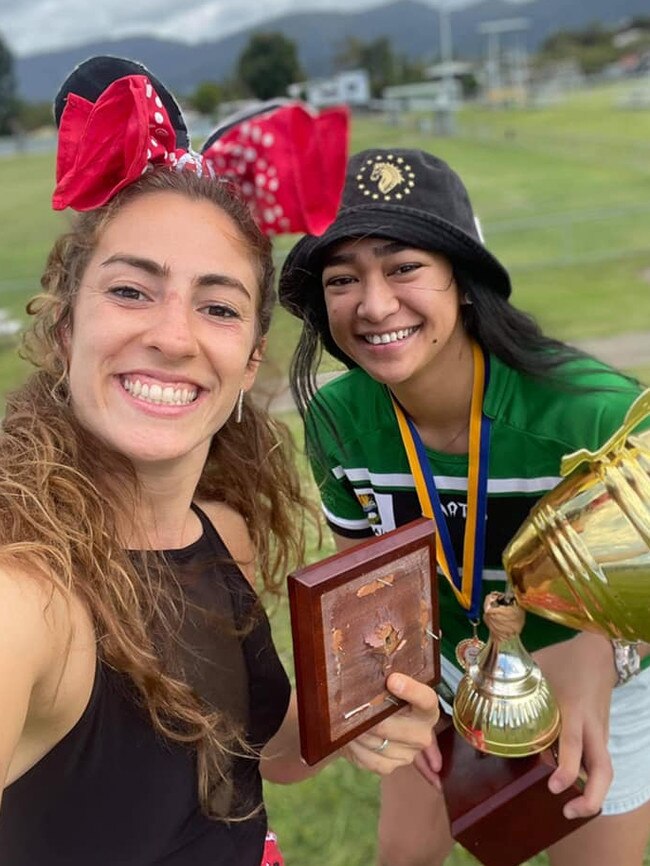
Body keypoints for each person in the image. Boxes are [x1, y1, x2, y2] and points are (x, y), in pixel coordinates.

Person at [0, 69, 441, 865]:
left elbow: (258, 758)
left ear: (246, 365)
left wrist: (362, 710)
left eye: (217, 305)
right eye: (132, 290)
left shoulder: (221, 532)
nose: (174, 336)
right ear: (67, 332)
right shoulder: (23, 598)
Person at [279, 147, 650, 866]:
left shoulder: (593, 415)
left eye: (404, 266)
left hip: (600, 674)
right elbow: (367, 583)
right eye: (342, 279)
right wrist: (375, 697)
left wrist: (597, 650)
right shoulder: (338, 421)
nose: (375, 304)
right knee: (403, 855)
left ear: (465, 279)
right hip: (440, 672)